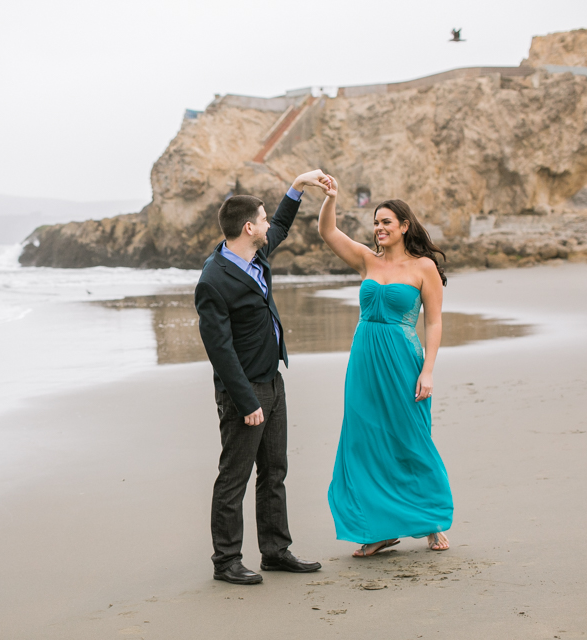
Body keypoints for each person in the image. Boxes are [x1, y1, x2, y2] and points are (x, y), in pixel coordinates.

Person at [194, 170, 330, 585]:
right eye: (264, 218)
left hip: (272, 380)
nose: (270, 225)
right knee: (234, 476)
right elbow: (219, 351)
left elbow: (284, 226)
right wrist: (246, 401)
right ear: (249, 227)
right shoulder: (214, 279)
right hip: (245, 391)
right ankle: (226, 562)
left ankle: (275, 550)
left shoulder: (256, 255)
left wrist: (299, 185)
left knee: (275, 471)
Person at [316, 176, 453, 557]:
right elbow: (327, 231)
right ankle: (378, 529)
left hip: (402, 359)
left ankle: (430, 520)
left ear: (404, 226)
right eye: (376, 223)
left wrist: (428, 370)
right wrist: (332, 198)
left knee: (410, 438)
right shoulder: (365, 259)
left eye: (386, 222)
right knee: (365, 441)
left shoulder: (423, 267)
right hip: (364, 358)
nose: (379, 229)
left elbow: (435, 321)